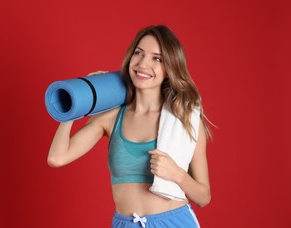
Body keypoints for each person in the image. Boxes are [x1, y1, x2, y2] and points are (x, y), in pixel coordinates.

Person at [47, 25, 212, 227]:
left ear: (169, 68)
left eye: (157, 58)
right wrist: (77, 103)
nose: (143, 64)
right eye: (138, 53)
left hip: (174, 222)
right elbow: (57, 158)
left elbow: (203, 196)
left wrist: (177, 174)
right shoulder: (111, 117)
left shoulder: (184, 120)